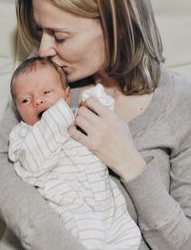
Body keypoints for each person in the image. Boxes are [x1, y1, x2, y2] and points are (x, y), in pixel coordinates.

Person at [0, 0, 191, 249]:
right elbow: (0, 170)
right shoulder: (43, 78)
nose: (44, 48)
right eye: (40, 31)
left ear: (117, 26)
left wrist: (130, 163)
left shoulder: (180, 104)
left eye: (59, 36)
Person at [8, 56, 141, 250]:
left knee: (127, 234)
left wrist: (95, 101)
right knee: (89, 236)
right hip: (69, 206)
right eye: (25, 100)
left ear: (67, 96)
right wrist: (56, 115)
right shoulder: (24, 134)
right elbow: (33, 164)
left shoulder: (78, 117)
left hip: (105, 199)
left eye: (46, 92)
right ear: (18, 110)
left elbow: (106, 124)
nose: (37, 101)